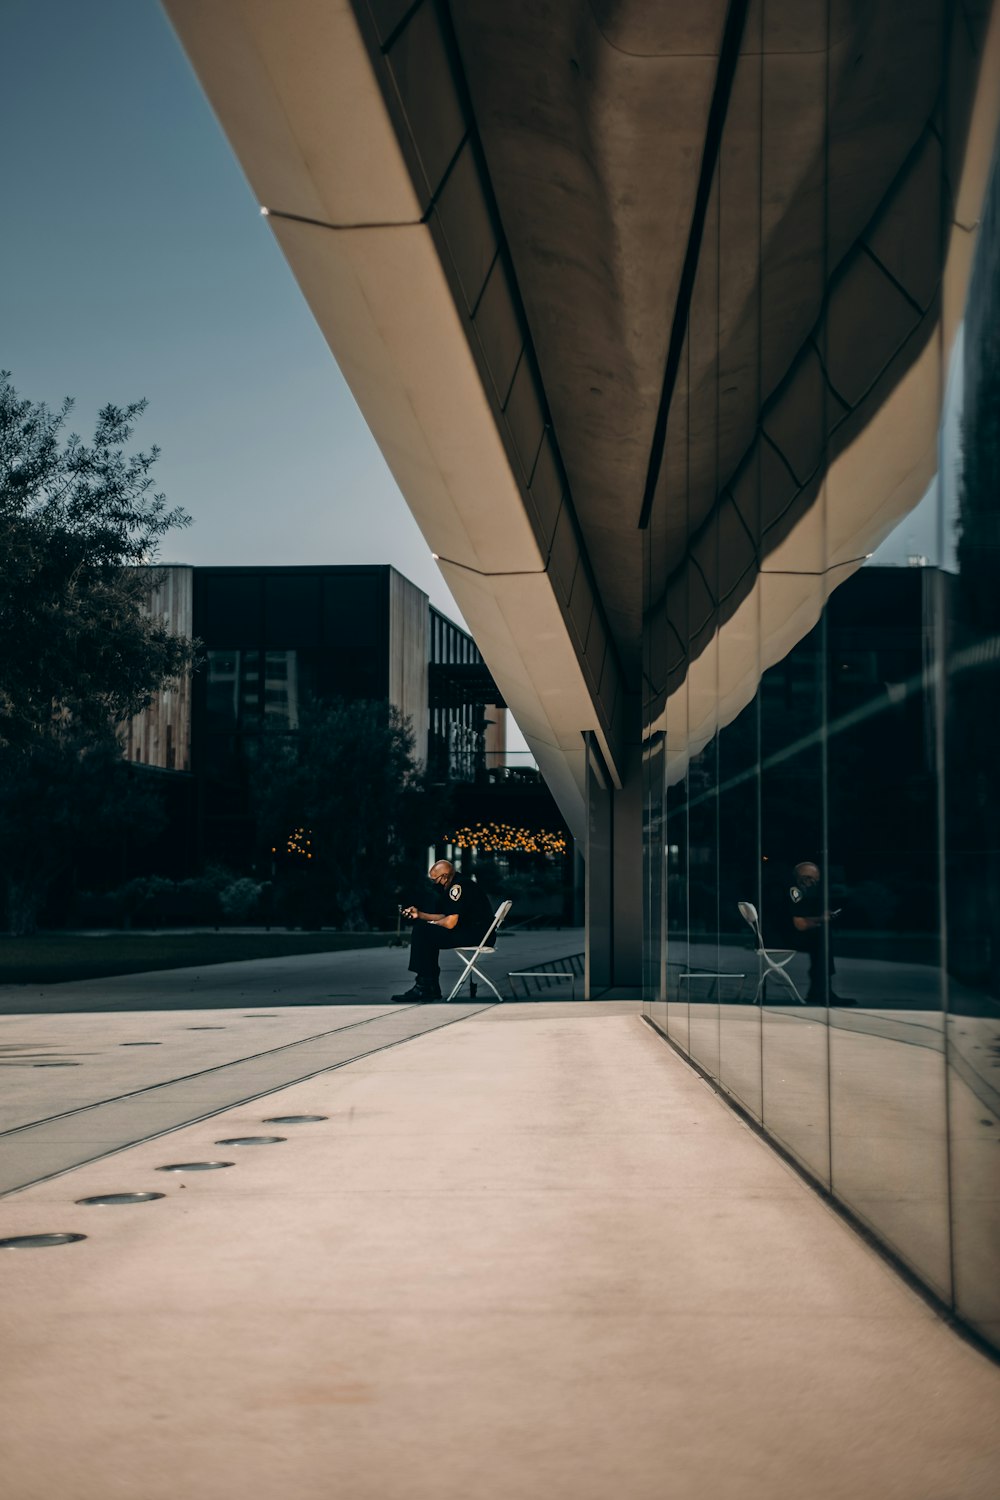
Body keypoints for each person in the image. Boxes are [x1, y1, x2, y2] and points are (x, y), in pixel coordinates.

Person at [391, 859, 496, 1001]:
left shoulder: (458, 887)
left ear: (445, 876)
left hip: (477, 934)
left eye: (435, 879)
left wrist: (432, 924)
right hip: (476, 932)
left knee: (423, 932)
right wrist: (420, 915)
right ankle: (428, 985)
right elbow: (445, 916)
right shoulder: (456, 884)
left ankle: (425, 986)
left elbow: (451, 922)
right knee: (425, 931)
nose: (434, 883)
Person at [787, 860, 852, 1004]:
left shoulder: (797, 891)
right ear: (804, 879)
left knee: (822, 937)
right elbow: (800, 924)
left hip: (783, 935)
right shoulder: (795, 892)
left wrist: (820, 919)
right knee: (822, 938)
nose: (815, 884)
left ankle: (820, 989)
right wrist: (822, 919)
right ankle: (821, 989)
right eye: (813, 880)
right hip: (781, 938)